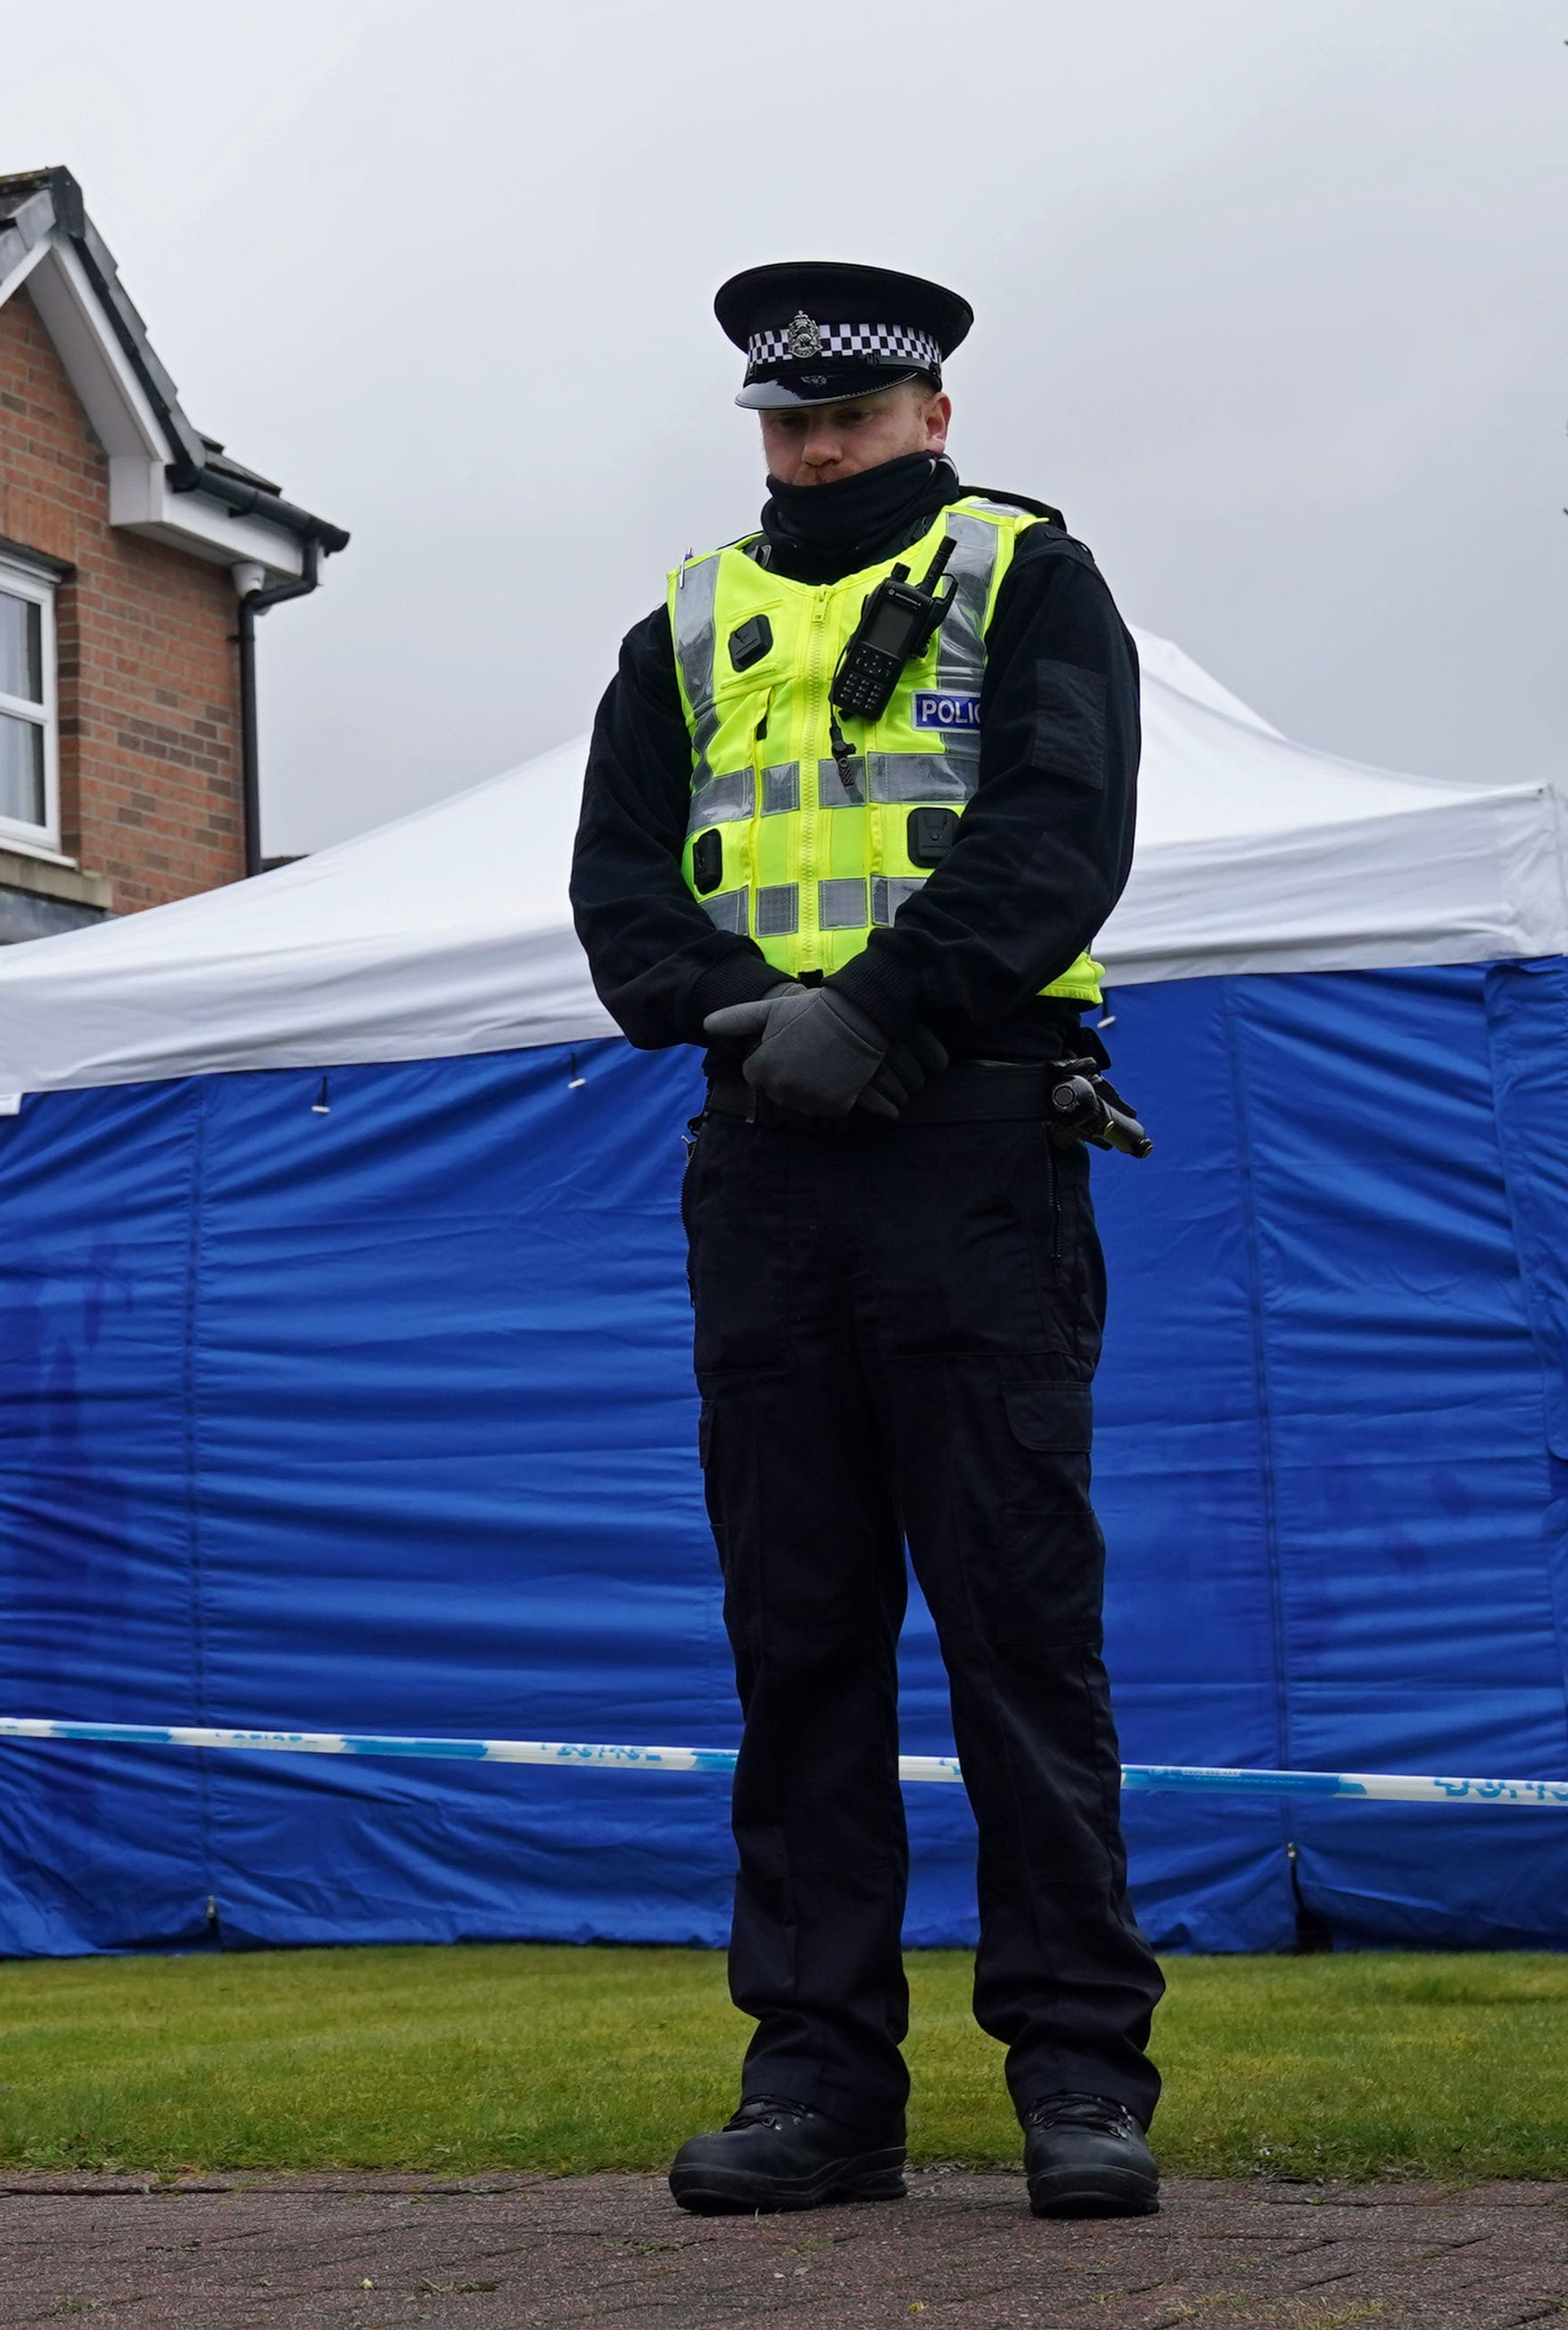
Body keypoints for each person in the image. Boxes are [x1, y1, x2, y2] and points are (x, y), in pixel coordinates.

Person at [568, 262, 1165, 2228]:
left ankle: (1080, 2076)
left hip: (973, 1137)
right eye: (786, 422)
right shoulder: (683, 617)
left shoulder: (1031, 579)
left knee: (1020, 1634)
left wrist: (881, 1006)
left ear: (932, 416)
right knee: (799, 1645)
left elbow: (1057, 830)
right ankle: (820, 2082)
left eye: (848, 418)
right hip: (763, 1160)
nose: (813, 448)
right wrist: (745, 1011)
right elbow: (620, 887)